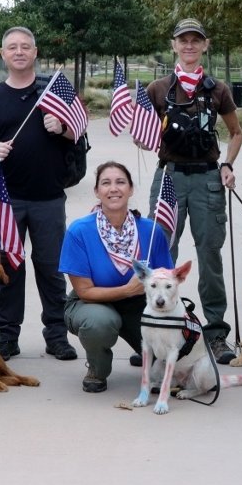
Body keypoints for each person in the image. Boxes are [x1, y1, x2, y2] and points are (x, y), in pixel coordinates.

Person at [0, 26, 78, 362]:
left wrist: (62, 127)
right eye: (12, 47)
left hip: (48, 197)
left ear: (35, 52)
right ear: (3, 54)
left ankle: (56, 336)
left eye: (25, 47)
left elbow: (79, 131)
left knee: (50, 267)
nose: (19, 52)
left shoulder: (53, 93)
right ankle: (7, 335)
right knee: (7, 268)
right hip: (6, 200)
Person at [142, 18, 242, 364]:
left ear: (205, 45)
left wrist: (227, 164)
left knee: (210, 256)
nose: (189, 46)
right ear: (174, 45)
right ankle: (156, 334)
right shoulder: (158, 88)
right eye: (183, 40)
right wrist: (146, 133)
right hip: (169, 176)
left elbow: (236, 132)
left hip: (206, 179)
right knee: (160, 256)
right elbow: (144, 135)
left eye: (195, 41)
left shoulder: (217, 89)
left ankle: (216, 333)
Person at [59, 162, 174, 393]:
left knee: (175, 364)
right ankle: (97, 369)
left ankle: (149, 356)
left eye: (120, 182)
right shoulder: (79, 231)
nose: (114, 188)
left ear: (130, 189)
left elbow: (167, 279)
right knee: (100, 322)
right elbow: (84, 291)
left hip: (139, 305)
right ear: (97, 191)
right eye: (106, 183)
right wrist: (127, 290)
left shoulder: (151, 231)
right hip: (91, 303)